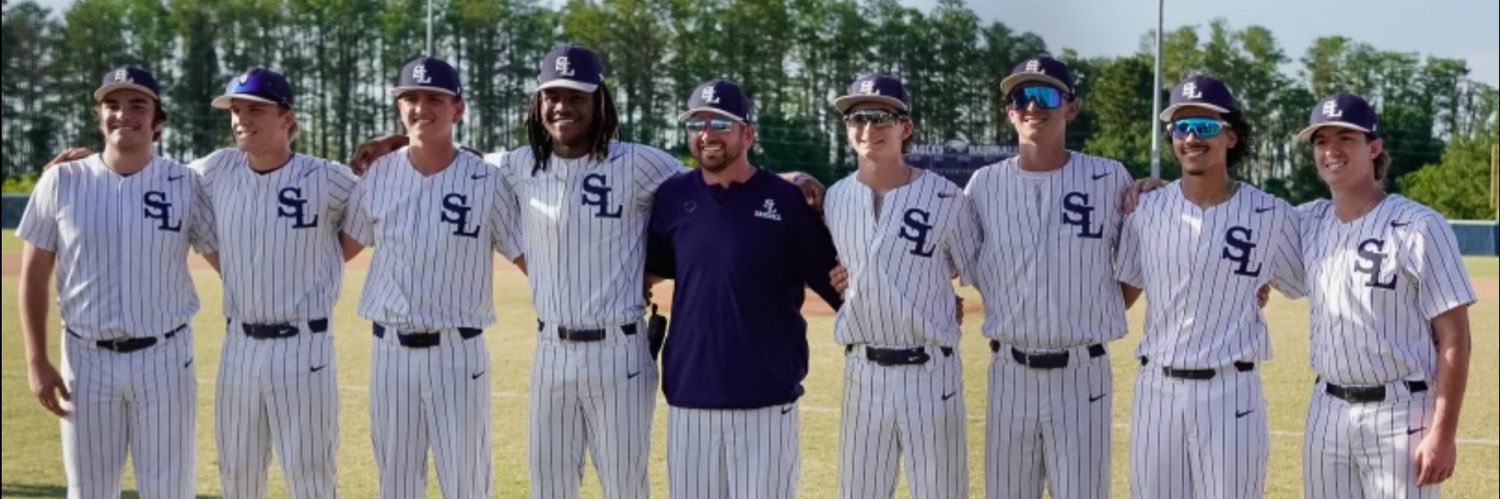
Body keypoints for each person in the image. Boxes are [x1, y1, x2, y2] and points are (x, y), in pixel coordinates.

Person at [16, 65, 218, 498]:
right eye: (111, 104)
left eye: (137, 104)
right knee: (89, 490)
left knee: (169, 490)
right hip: (85, 358)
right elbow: (34, 276)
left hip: (165, 356)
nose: (122, 114)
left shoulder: (185, 182)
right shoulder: (61, 180)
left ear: (157, 120)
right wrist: (37, 360)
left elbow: (228, 258)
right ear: (98, 115)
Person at [646, 78, 842, 499]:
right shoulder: (671, 197)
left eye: (721, 122)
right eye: (697, 123)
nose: (706, 134)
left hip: (766, 404)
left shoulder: (787, 200)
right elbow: (647, 273)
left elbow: (841, 288)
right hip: (689, 403)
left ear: (748, 133)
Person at [1114, 74, 1306, 498]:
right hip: (1156, 390)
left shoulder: (1271, 213)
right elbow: (1119, 297)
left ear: (1231, 136)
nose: (1190, 137)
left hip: (1232, 391)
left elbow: (1311, 282)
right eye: (1180, 127)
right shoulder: (1145, 209)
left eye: (1203, 126)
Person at [341, 56, 522, 499]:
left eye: (434, 99)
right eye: (411, 99)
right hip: (390, 352)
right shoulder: (376, 175)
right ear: (399, 109)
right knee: (396, 480)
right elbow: (338, 251)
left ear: (457, 109)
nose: (421, 108)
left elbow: (528, 256)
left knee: (467, 480)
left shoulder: (487, 179)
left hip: (458, 352)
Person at [966, 56, 1136, 499]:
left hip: (1083, 372)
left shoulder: (1109, 176)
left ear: (1071, 108)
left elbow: (1136, 268)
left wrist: (1093, 308)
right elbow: (947, 259)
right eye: (1020, 97)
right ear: (1008, 111)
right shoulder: (984, 185)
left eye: (1045, 95)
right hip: (1009, 371)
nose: (1031, 106)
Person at [1295, 92, 1476, 498]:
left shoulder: (1419, 226)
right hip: (1326, 410)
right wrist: (1157, 186)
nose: (1331, 150)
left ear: (1374, 147)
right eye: (1321, 141)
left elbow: (1455, 338)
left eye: (1345, 137)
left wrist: (1443, 435)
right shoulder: (1305, 221)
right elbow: (1239, 234)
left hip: (1400, 411)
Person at [192, 67, 360, 499]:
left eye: (254, 109)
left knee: (310, 476)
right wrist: (84, 166)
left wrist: (320, 260)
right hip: (239, 345)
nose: (240, 118)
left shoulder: (328, 176)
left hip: (304, 345)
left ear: (286, 117)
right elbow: (153, 177)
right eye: (235, 109)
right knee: (238, 474)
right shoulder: (215, 169)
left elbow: (372, 218)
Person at [822, 73, 981, 499]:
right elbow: (846, 266)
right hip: (862, 371)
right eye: (857, 118)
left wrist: (938, 291)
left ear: (905, 127)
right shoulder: (836, 198)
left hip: (930, 371)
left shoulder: (948, 198)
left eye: (881, 118)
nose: (868, 129)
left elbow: (974, 271)